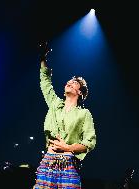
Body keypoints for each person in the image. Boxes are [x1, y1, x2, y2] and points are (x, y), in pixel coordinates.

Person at [33, 42, 96, 189]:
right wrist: (43, 59)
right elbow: (46, 83)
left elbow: (89, 142)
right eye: (69, 81)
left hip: (68, 164)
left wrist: (67, 147)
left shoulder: (84, 114)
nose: (69, 82)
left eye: (74, 82)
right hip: (47, 160)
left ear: (80, 92)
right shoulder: (55, 104)